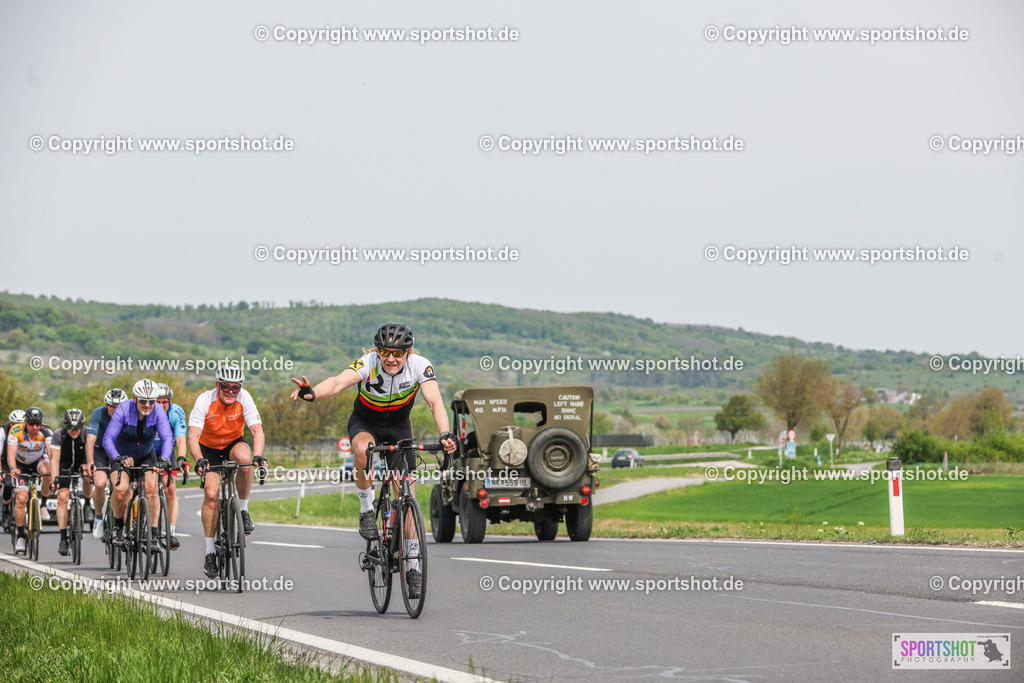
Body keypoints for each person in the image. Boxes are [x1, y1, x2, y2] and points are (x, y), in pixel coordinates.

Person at [290, 322, 456, 599]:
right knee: (363, 449)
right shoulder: (367, 363)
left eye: (397, 353)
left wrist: (444, 433)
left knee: (407, 492)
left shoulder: (419, 365)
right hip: (365, 421)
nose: (390, 358)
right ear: (377, 351)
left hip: (399, 427)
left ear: (408, 352)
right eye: (384, 352)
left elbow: (435, 402)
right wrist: (313, 393)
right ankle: (367, 510)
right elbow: (338, 382)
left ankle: (413, 566)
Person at [188, 365, 266, 578]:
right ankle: (210, 551)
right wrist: (199, 460)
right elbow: (192, 436)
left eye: (235, 387)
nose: (231, 391)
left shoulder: (245, 398)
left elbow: (257, 431)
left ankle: (242, 509)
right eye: (226, 387)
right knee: (211, 495)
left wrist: (259, 455)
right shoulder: (205, 400)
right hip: (208, 449)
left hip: (233, 443)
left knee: (246, 460)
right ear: (217, 385)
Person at [102, 379, 173, 550]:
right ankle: (119, 527)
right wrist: (117, 457)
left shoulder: (158, 412)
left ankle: (153, 534)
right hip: (122, 455)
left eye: (151, 401)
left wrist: (164, 459)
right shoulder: (124, 409)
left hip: (146, 456)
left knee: (152, 489)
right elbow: (108, 439)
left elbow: (167, 438)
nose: (147, 405)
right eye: (143, 400)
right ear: (134, 398)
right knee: (120, 490)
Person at [7, 407, 55, 553]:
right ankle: (21, 536)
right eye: (32, 424)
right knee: (21, 499)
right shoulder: (16, 431)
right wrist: (13, 468)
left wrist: (54, 472)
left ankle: (44, 505)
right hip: (20, 465)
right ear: (26, 422)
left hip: (37, 461)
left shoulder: (46, 431)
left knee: (48, 471)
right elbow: (10, 453)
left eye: (38, 424)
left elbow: (51, 452)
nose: (35, 427)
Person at [49, 409, 91, 556]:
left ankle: (87, 502)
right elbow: (54, 460)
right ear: (65, 426)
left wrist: (87, 466)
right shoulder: (58, 434)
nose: (74, 431)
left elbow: (91, 454)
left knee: (87, 475)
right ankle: (63, 538)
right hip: (64, 464)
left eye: (77, 428)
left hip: (81, 461)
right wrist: (55, 479)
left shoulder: (87, 433)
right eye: (71, 428)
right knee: (62, 497)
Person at [86, 388, 127, 540]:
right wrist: (90, 462)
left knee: (121, 488)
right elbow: (90, 439)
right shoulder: (98, 413)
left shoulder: (129, 414)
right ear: (106, 405)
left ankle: (121, 521)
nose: (116, 410)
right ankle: (98, 517)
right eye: (112, 406)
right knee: (100, 483)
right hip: (101, 451)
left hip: (119, 451)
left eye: (119, 407)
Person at [154, 383, 189, 550]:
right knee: (147, 489)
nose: (161, 406)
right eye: (157, 402)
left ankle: (171, 531)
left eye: (164, 402)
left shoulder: (176, 412)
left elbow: (181, 439)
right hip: (147, 452)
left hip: (167, 453)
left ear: (170, 402)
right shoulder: (147, 411)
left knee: (171, 490)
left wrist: (182, 458)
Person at [1, 409, 26, 532]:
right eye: (15, 424)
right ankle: (5, 509)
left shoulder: (27, 431)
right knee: (8, 483)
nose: (18, 427)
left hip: (21, 461)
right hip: (5, 460)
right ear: (10, 424)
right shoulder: (3, 432)